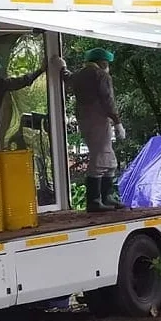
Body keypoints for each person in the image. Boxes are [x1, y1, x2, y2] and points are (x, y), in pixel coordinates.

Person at [54, 48, 126, 213]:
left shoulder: (80, 75)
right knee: (100, 157)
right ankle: (94, 200)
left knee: (109, 158)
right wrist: (117, 122)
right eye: (107, 64)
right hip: (99, 120)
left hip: (85, 120)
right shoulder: (101, 76)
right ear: (103, 63)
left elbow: (68, 78)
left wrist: (62, 68)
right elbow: (108, 100)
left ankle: (107, 197)